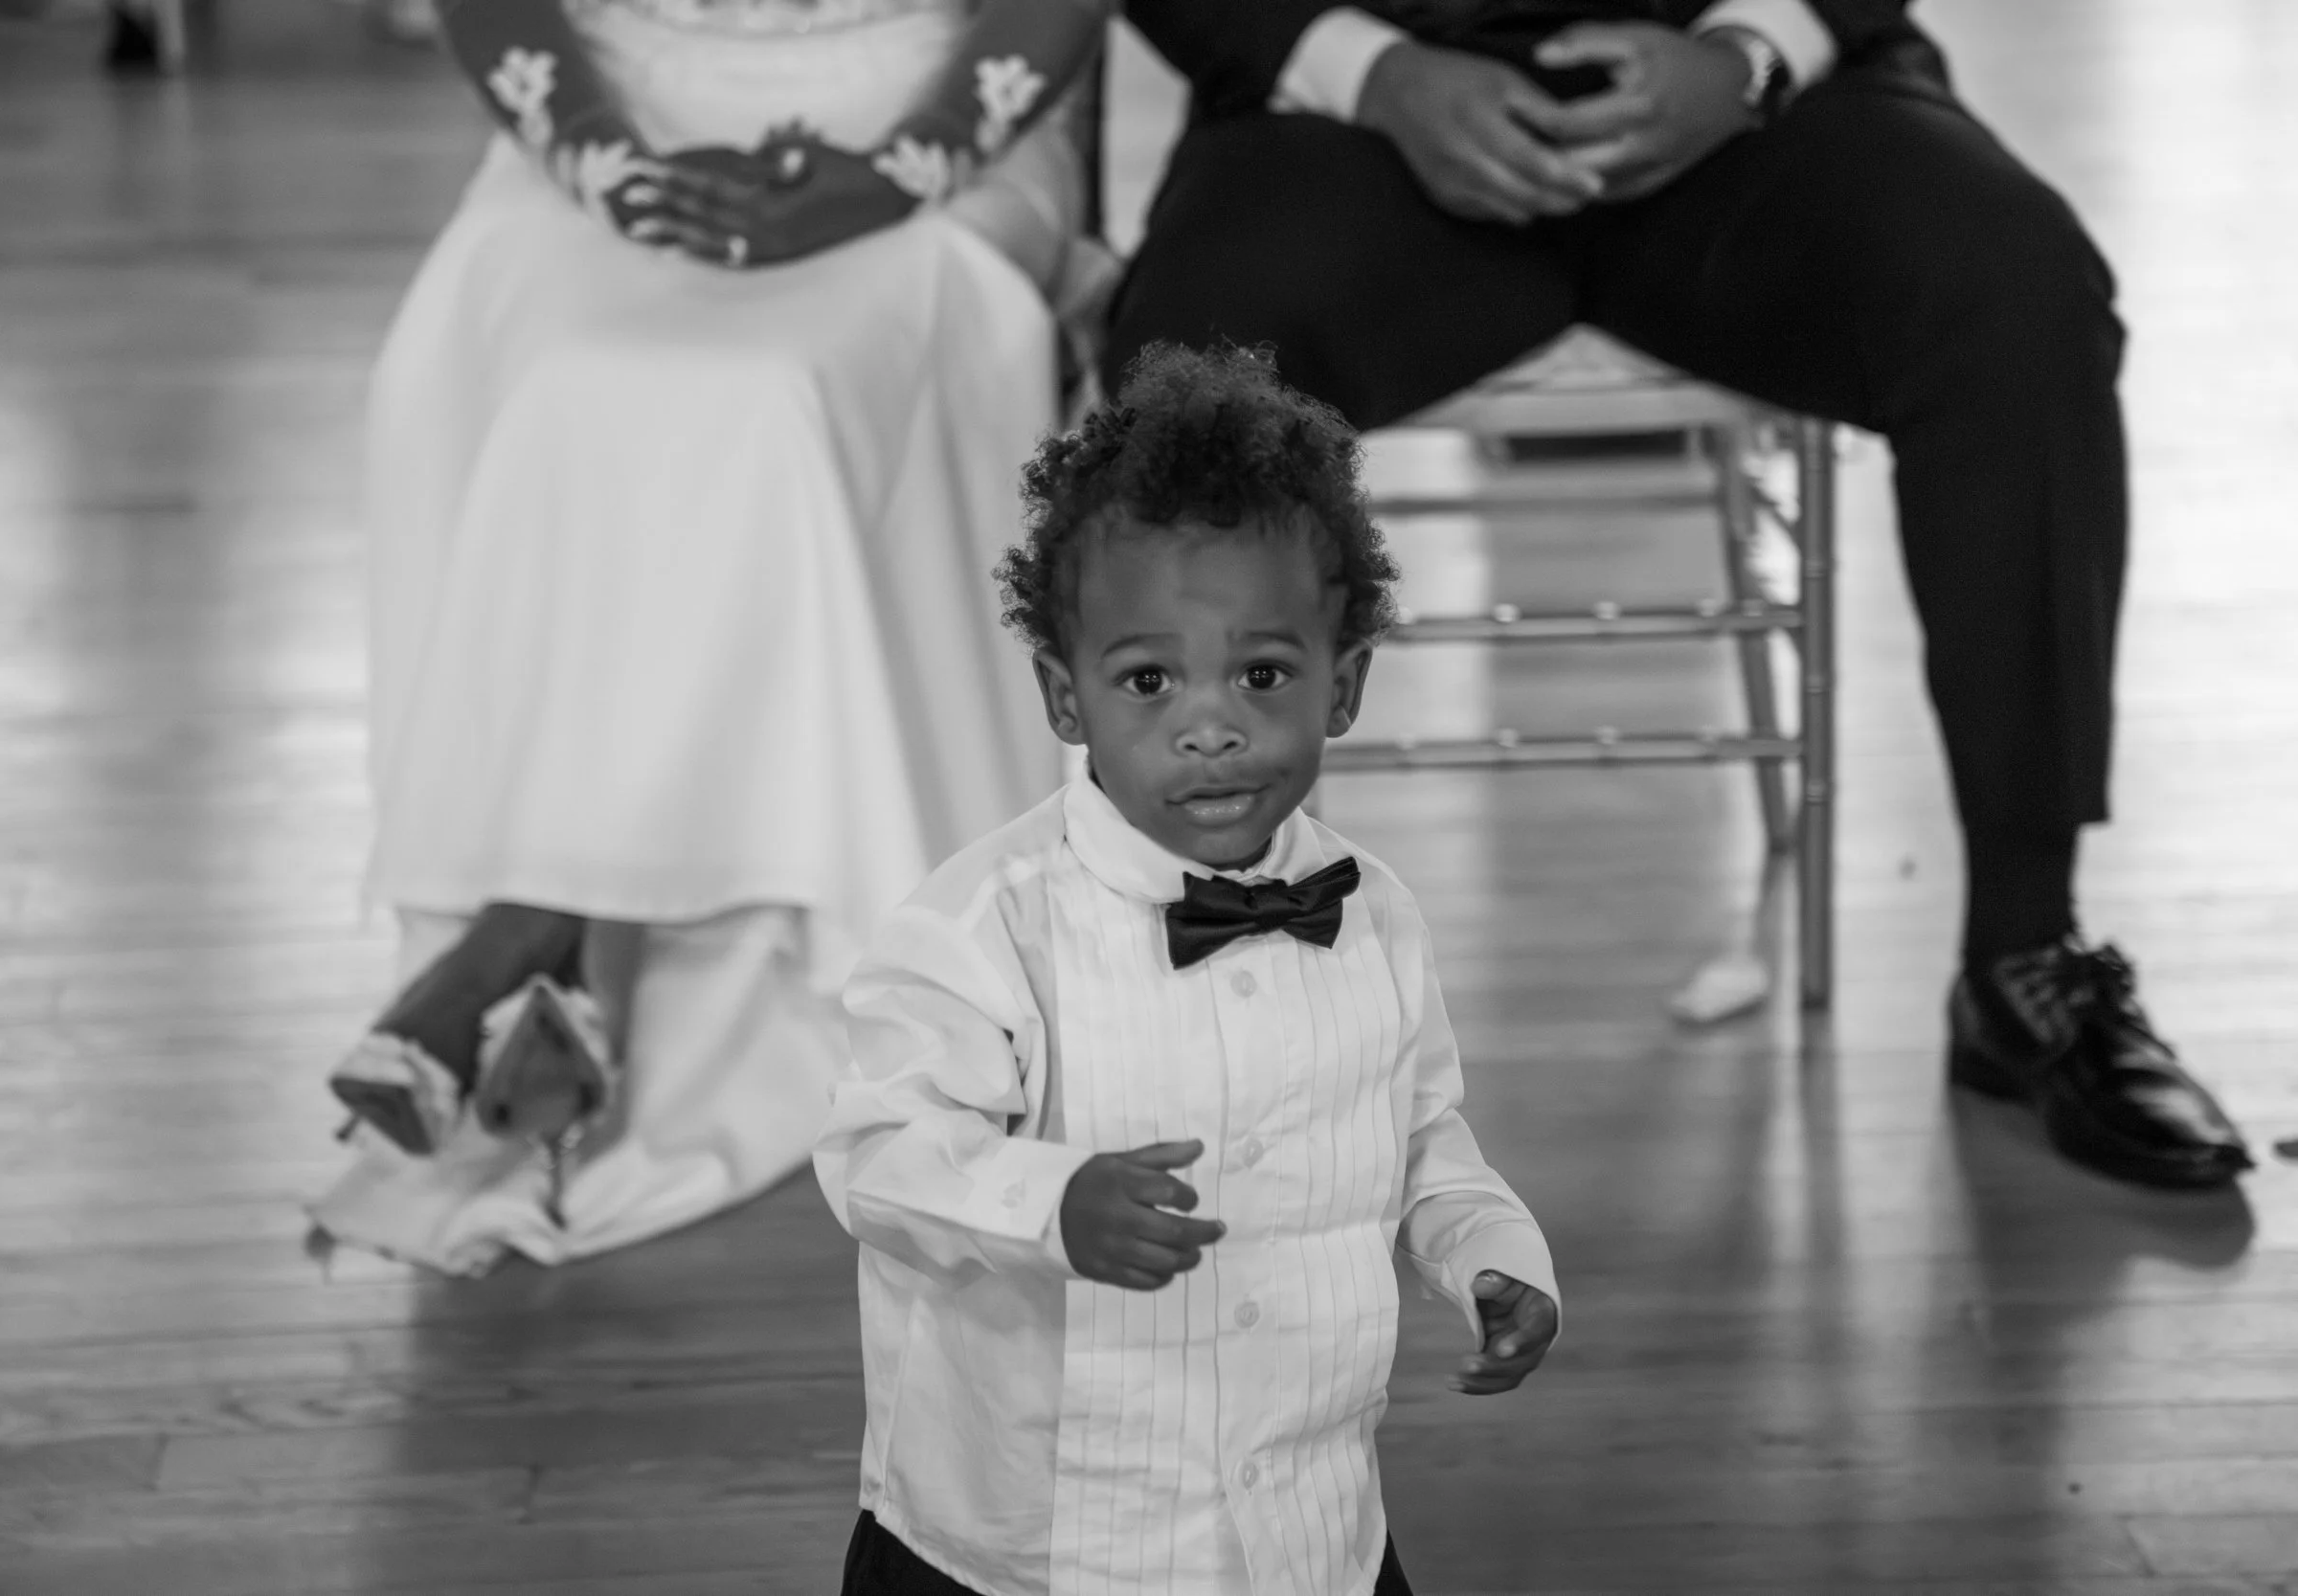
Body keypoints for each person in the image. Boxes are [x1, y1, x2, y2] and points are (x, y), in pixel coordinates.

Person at [1104, 0, 2254, 1191]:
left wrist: (1746, 56)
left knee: (2017, 292)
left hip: (1756, 119)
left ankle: (2026, 952)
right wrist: (1372, 71)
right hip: (1356, 129)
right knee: (1188, 373)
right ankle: (1213, 965)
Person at [308, 0, 1113, 1274]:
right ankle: (568, 942)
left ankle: (528, 926)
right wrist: (603, 159)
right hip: (605, 133)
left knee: (761, 400)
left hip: (926, 141)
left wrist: (901, 168)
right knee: (551, 383)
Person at [815, 345, 1562, 1596]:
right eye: (1148, 678)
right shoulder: (982, 928)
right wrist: (1050, 1201)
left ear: (1343, 684)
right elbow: (878, 1154)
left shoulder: (1374, 915)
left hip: (1305, 1529)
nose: (1208, 725)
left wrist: (1491, 1249)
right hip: (1034, 1541)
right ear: (1065, 695)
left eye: (1261, 674)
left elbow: (1424, 1137)